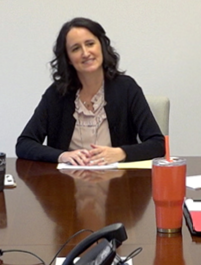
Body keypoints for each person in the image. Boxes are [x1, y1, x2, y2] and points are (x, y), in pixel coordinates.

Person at [16, 17, 165, 165]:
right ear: (68, 58)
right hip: (65, 183)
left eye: (90, 44)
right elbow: (24, 144)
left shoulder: (126, 88)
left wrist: (120, 153)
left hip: (119, 183)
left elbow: (157, 144)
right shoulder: (56, 94)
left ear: (101, 45)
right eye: (76, 48)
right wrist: (61, 156)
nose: (85, 53)